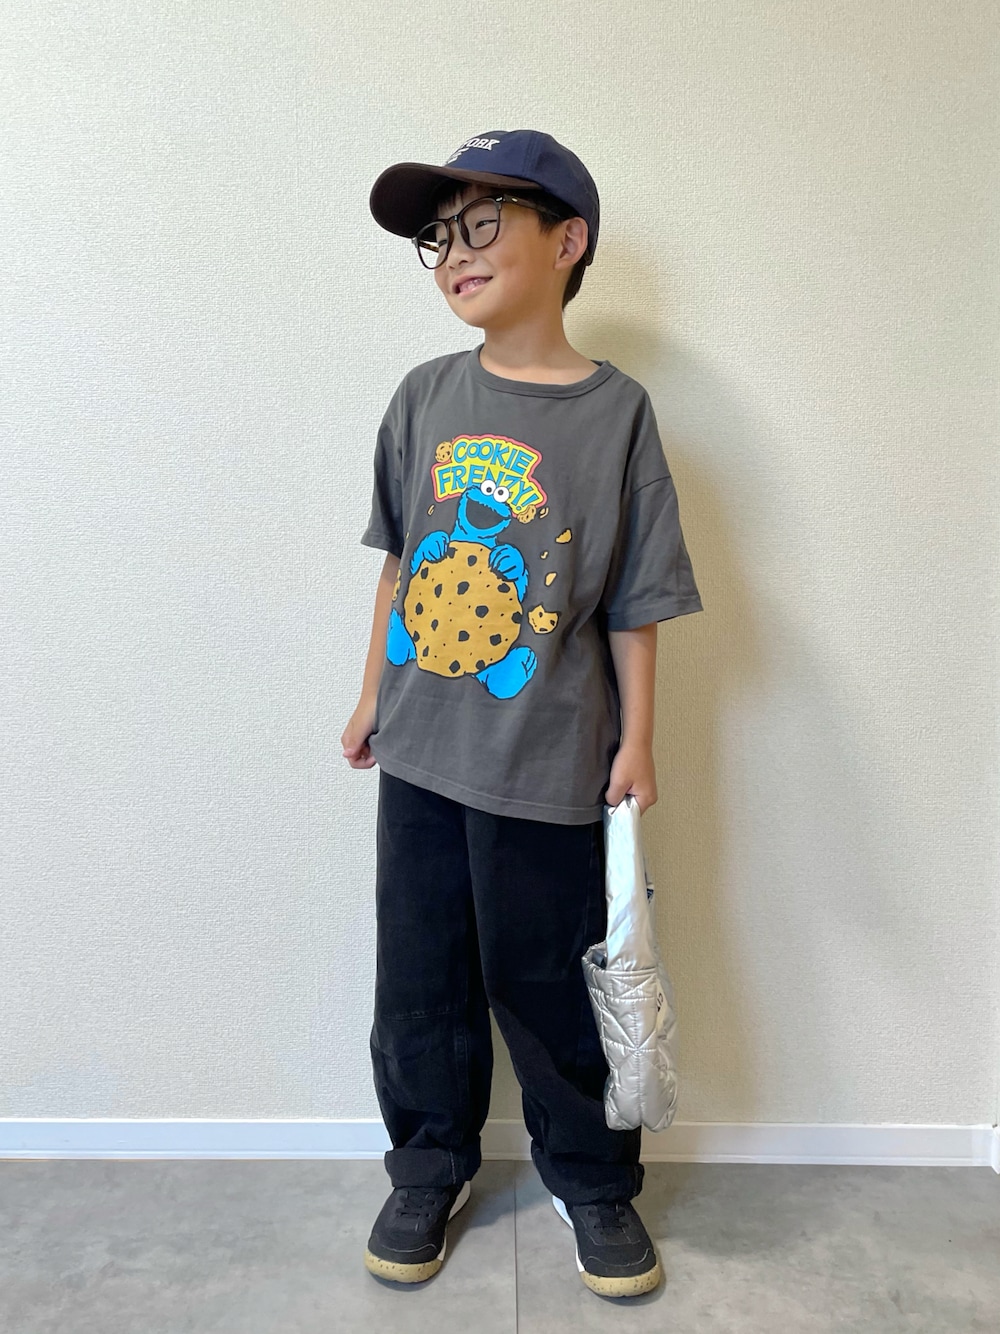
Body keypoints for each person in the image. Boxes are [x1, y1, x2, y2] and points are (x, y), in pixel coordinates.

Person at [341, 129, 703, 1298]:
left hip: (551, 760)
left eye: (482, 223)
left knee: (548, 981)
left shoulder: (618, 413)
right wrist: (368, 695)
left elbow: (636, 596)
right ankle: (426, 1165)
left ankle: (591, 1180)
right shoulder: (423, 395)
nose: (454, 251)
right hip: (420, 749)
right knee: (419, 977)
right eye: (437, 236)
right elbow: (400, 563)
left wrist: (637, 738)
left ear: (567, 241)